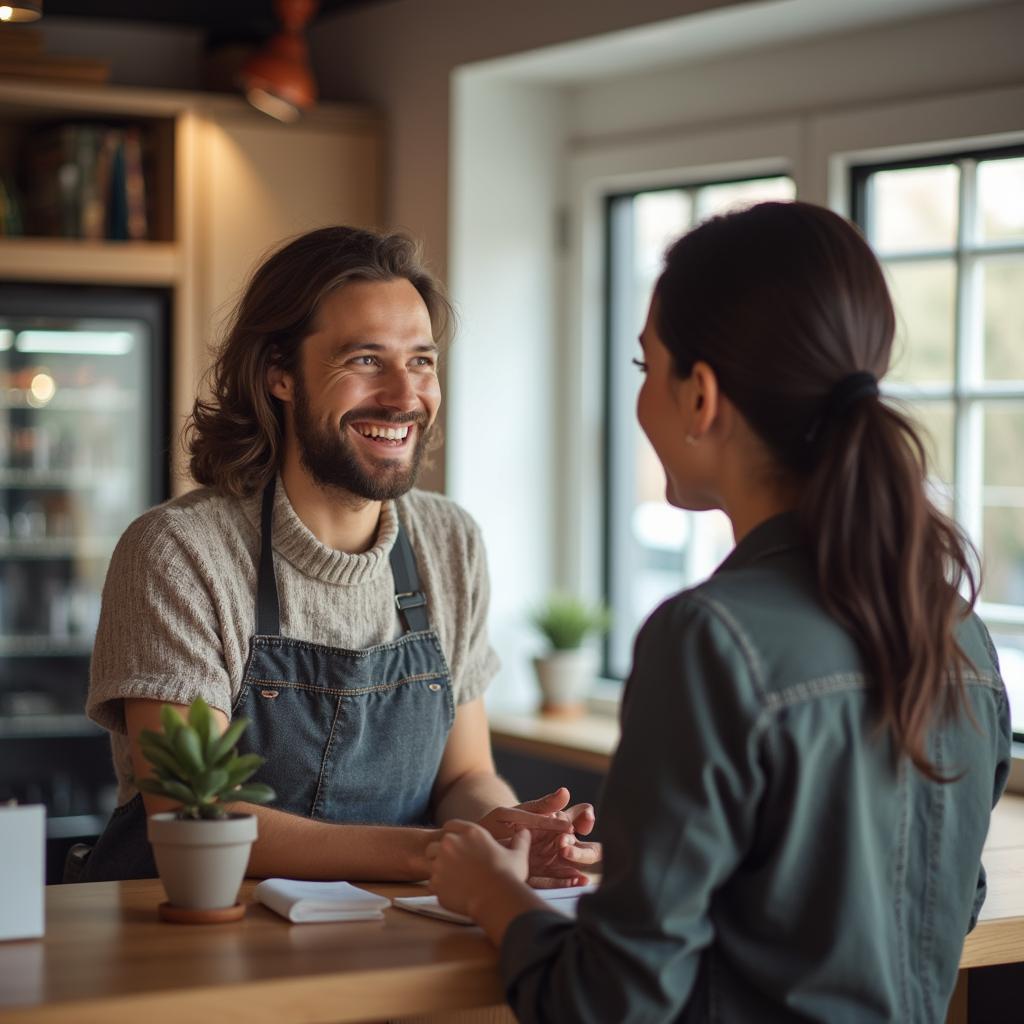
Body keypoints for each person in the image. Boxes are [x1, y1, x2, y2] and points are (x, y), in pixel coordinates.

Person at [425, 201, 1013, 1022]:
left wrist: (494, 895)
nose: (638, 402)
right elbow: (941, 911)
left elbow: (611, 1002)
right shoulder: (962, 635)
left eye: (643, 368)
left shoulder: (709, 640)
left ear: (700, 396)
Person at [81, 226, 599, 884]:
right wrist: (435, 851)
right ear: (279, 375)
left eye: (421, 361)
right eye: (364, 360)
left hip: (389, 936)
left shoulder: (450, 542)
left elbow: (465, 776)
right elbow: (193, 813)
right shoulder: (182, 551)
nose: (405, 395)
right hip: (197, 949)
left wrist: (513, 835)